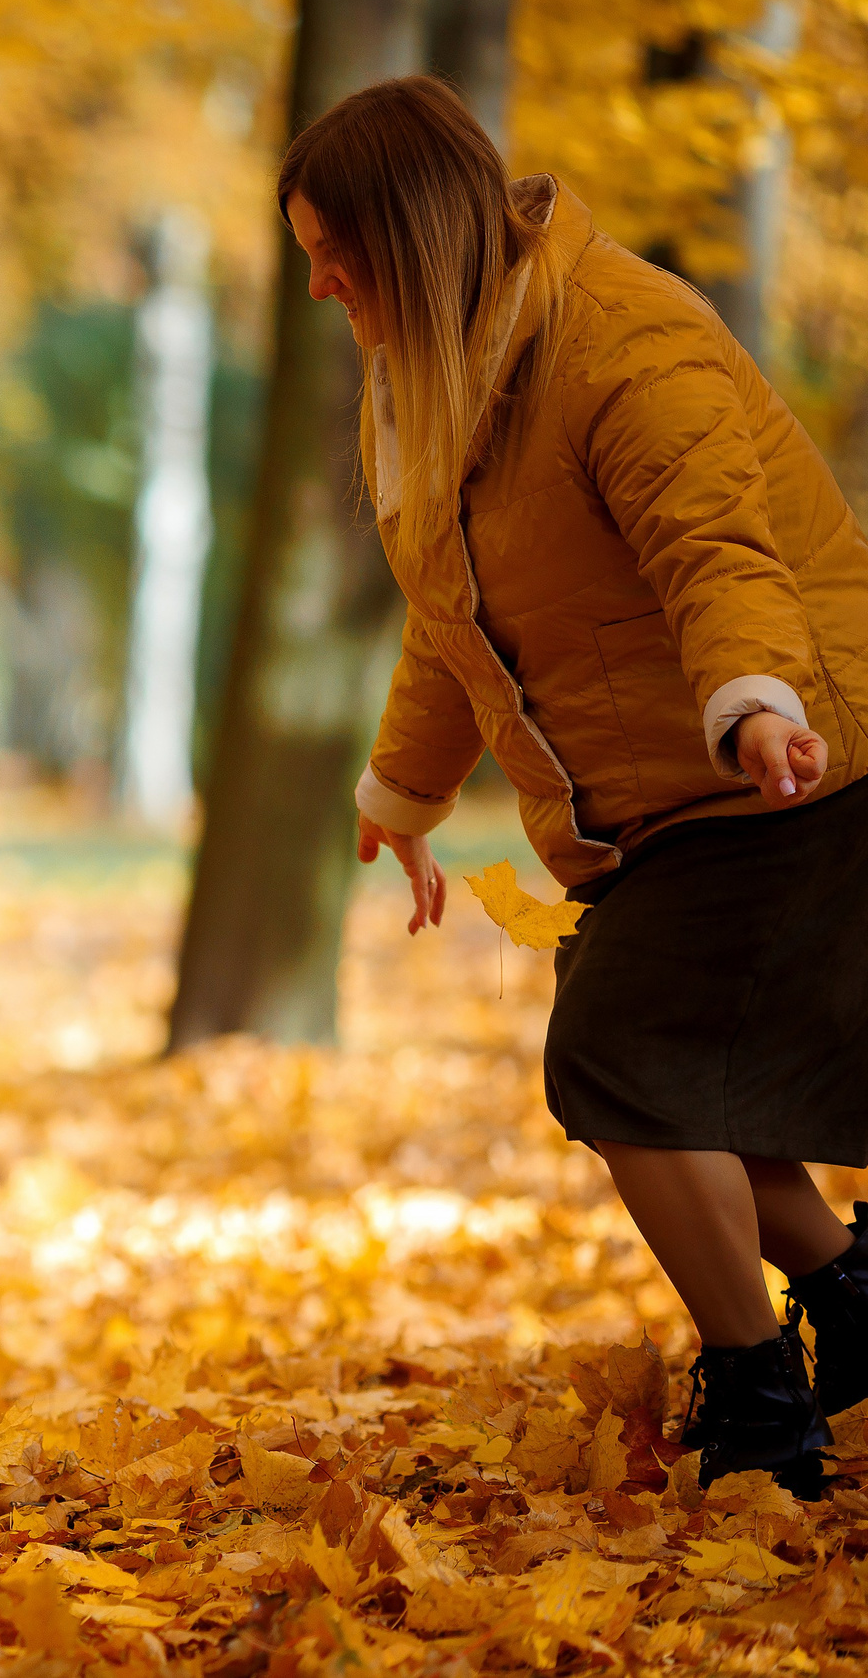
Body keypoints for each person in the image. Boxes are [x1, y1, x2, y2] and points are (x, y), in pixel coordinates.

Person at [289, 76, 868, 1496]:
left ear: (412, 239)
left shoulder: (627, 338)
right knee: (684, 1082)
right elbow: (451, 614)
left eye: (335, 256)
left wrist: (753, 702)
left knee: (618, 1057)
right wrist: (403, 793)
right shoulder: (420, 377)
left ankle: (760, 1399)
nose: (318, 286)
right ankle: (849, 1302)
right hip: (654, 796)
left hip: (785, 756)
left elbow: (717, 547)